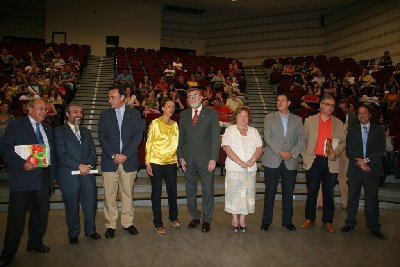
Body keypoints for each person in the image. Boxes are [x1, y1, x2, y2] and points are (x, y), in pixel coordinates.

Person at [0, 98, 54, 267]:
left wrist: (53, 176)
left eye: (45, 109)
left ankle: (35, 243)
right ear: (29, 109)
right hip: (23, 178)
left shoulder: (47, 128)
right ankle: (8, 253)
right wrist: (22, 163)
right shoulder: (16, 125)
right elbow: (5, 149)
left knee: (40, 216)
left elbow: (53, 153)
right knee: (16, 219)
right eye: (40, 109)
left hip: (43, 179)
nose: (44, 112)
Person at [98, 86, 143, 239]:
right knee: (109, 195)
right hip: (110, 161)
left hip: (128, 160)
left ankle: (127, 222)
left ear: (122, 97)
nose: (109, 100)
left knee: (127, 194)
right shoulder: (105, 115)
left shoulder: (135, 114)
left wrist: (125, 154)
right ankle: (111, 224)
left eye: (113, 97)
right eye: (109, 97)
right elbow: (102, 137)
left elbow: (138, 136)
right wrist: (113, 155)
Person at [54, 103, 101, 245]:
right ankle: (73, 233)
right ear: (67, 114)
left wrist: (88, 166)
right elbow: (61, 154)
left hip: (87, 175)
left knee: (90, 205)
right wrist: (78, 165)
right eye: (75, 112)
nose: (78, 114)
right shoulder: (58, 131)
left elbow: (93, 152)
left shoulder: (86, 132)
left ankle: (90, 230)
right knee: (71, 206)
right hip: (69, 176)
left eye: (80, 112)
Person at [300, 95, 346, 233]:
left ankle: (328, 221)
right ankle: (309, 218)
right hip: (314, 160)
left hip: (330, 161)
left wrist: (335, 153)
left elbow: (343, 143)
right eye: (327, 104)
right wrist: (305, 156)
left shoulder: (338, 123)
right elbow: (302, 140)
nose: (330, 107)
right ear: (321, 105)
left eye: (332, 105)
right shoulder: (309, 121)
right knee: (312, 191)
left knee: (329, 193)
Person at [177, 88, 220, 233]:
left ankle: (207, 219)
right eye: (190, 96)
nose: (192, 98)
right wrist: (180, 157)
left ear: (201, 97)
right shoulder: (183, 115)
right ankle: (195, 216)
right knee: (190, 190)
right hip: (188, 160)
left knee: (208, 190)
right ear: (187, 100)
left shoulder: (212, 114)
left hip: (206, 160)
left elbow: (215, 138)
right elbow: (180, 138)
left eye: (195, 95)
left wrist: (214, 158)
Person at [340, 105, 386, 239]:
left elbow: (381, 149)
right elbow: (349, 150)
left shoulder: (378, 130)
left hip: (372, 169)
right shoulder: (353, 130)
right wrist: (358, 162)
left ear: (370, 115)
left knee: (372, 200)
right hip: (355, 169)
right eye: (359, 113)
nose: (362, 115)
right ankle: (350, 223)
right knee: (352, 197)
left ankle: (374, 227)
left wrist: (366, 161)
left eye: (364, 113)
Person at [261, 94, 305, 232]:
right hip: (273, 159)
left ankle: (287, 221)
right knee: (270, 191)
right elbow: (267, 137)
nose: (279, 102)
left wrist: (291, 153)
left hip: (290, 161)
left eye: (282, 100)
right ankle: (266, 221)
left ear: (289, 103)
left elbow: (301, 140)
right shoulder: (269, 118)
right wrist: (281, 152)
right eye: (278, 100)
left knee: (288, 192)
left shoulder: (297, 120)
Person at [222, 106, 263, 232]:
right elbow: (226, 148)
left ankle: (243, 218)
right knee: (234, 195)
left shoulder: (254, 131)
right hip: (234, 168)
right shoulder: (230, 130)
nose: (243, 118)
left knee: (247, 195)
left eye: (246, 116)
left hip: (250, 169)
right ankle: (234, 218)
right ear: (236, 117)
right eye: (241, 115)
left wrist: (252, 160)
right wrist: (239, 161)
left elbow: (259, 148)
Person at [145, 100, 180, 234]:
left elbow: (177, 144)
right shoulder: (155, 123)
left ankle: (173, 217)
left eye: (173, 106)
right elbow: (149, 143)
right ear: (162, 108)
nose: (171, 108)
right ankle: (158, 222)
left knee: (173, 191)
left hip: (171, 162)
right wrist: (148, 162)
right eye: (169, 106)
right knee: (157, 193)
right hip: (156, 162)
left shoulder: (175, 125)